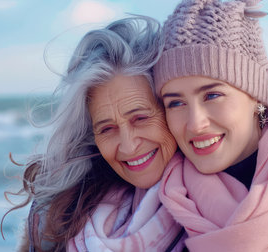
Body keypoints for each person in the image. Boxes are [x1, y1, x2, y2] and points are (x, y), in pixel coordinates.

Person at [152, 0, 268, 251]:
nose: (195, 124)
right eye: (175, 103)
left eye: (212, 95)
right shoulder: (151, 209)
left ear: (257, 98)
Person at [12, 16, 185, 251]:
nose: (128, 146)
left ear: (170, 106)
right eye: (106, 128)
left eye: (141, 118)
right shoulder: (59, 217)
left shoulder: (232, 204)